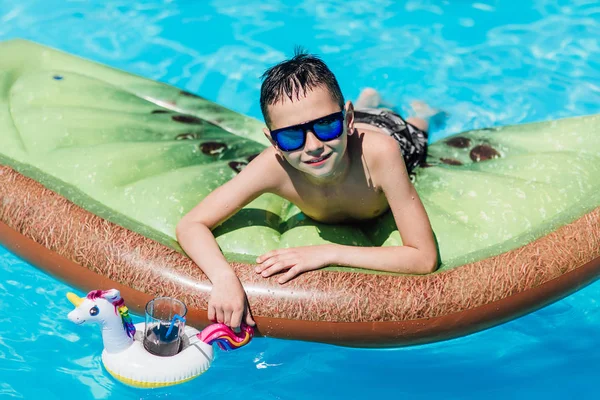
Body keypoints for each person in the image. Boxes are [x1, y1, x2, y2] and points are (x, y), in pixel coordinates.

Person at [176, 51, 438, 330]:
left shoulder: (381, 155)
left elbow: (423, 257)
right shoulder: (273, 166)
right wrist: (224, 277)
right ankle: (363, 103)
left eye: (325, 126)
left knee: (418, 127)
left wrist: (329, 252)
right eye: (291, 136)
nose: (313, 146)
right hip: (346, 130)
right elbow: (191, 224)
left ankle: (420, 113)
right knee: (339, 114)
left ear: (346, 120)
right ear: (273, 142)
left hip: (387, 131)